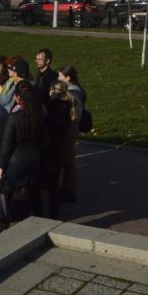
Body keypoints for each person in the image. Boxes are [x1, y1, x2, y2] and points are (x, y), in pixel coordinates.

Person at [0, 82, 45, 221]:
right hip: (35, 159)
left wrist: (1, 165)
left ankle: (7, 219)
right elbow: (45, 140)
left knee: (7, 193)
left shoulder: (14, 117)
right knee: (33, 192)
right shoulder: (38, 115)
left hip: (16, 161)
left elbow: (7, 144)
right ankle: (37, 217)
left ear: (17, 97)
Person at [42, 81, 75, 219]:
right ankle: (54, 214)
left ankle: (49, 214)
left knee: (49, 185)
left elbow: (47, 130)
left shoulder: (53, 109)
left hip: (50, 151)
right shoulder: (68, 107)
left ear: (54, 91)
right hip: (59, 149)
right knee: (54, 185)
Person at [57, 65, 86, 203]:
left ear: (68, 78)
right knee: (67, 160)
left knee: (69, 161)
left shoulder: (73, 93)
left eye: (60, 76)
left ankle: (69, 190)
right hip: (70, 129)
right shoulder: (73, 90)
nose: (58, 78)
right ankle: (66, 187)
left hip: (70, 129)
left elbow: (74, 114)